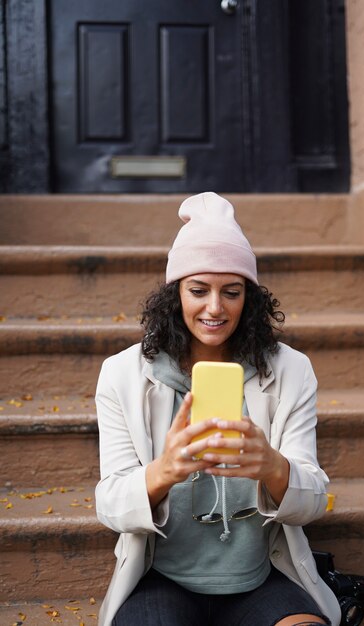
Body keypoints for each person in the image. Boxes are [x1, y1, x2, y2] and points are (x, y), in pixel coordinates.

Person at [95, 192, 341, 626]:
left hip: (259, 579)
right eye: (198, 290)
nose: (215, 307)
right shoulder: (122, 374)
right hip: (162, 578)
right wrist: (165, 470)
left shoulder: (290, 370)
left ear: (250, 298)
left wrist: (273, 466)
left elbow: (314, 502)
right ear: (175, 297)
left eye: (232, 291)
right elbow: (111, 506)